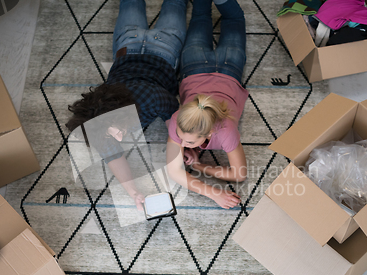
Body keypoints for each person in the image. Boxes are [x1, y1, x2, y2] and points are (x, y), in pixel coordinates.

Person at [65, 0, 188, 210]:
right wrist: (133, 192)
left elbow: (174, 114)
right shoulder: (98, 123)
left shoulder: (151, 99)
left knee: (176, 4)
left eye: (120, 130)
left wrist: (181, 143)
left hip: (163, 50)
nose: (121, 138)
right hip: (128, 43)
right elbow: (113, 155)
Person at [166, 0, 248, 209]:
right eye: (182, 138)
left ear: (210, 133)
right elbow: (174, 171)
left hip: (219, 65)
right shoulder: (178, 120)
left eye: (190, 142)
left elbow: (239, 175)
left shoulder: (226, 130)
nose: (182, 143)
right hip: (204, 65)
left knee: (215, 17)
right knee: (221, 17)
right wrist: (212, 190)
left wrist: (199, 166)